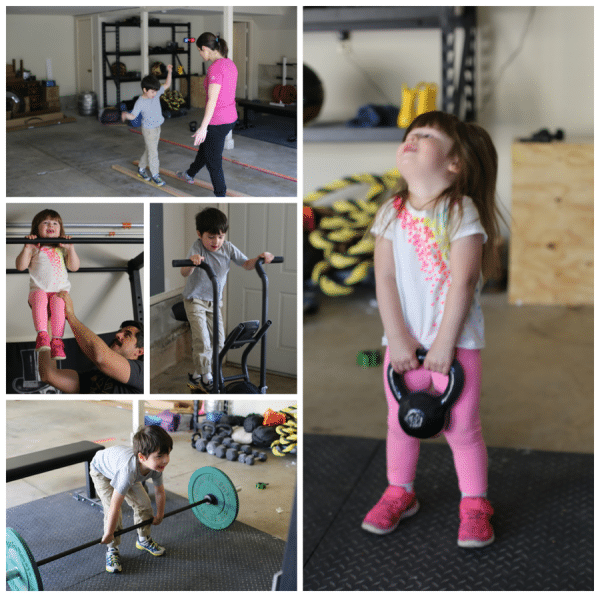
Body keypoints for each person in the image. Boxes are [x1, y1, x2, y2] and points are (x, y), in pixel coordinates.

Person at [362, 111, 503, 548]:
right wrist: (398, 338)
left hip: (455, 348)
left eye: (424, 135)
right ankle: (400, 491)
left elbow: (463, 280)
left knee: (462, 429)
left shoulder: (462, 211)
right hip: (401, 349)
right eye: (409, 134)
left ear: (454, 163)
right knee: (399, 424)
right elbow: (383, 278)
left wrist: (444, 344)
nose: (411, 139)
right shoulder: (391, 211)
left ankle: (476, 504)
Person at [180, 207, 273, 390]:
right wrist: (193, 262)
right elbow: (184, 272)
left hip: (214, 301)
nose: (216, 242)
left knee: (219, 342)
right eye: (211, 237)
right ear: (200, 234)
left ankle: (199, 371)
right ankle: (206, 376)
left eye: (220, 236)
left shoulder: (228, 248)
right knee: (202, 340)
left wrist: (261, 258)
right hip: (195, 300)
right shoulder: (197, 247)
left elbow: (246, 264)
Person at [90, 425, 173, 573]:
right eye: (159, 456)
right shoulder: (128, 472)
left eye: (167, 454)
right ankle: (112, 549)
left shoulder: (156, 467)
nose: (165, 460)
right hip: (101, 471)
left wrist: (160, 514)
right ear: (142, 457)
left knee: (144, 505)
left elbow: (159, 491)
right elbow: (115, 505)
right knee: (112, 510)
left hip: (123, 468)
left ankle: (143, 539)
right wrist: (109, 533)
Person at [37, 291, 144, 394]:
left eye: (127, 335)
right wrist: (51, 320)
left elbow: (101, 357)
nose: (118, 335)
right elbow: (49, 375)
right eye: (120, 332)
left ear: (140, 351)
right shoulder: (95, 376)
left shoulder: (141, 372)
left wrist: (70, 315)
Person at [176, 33, 238, 197]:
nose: (200, 54)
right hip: (230, 118)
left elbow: (212, 100)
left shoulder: (215, 68)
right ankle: (189, 174)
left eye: (199, 51)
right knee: (205, 149)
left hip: (217, 121)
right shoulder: (230, 64)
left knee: (213, 161)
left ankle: (221, 195)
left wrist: (203, 128)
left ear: (205, 49)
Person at [15, 209, 80, 361]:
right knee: (40, 297)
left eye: (55, 223)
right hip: (39, 292)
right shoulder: (35, 248)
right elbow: (20, 266)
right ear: (36, 229)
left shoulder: (62, 248)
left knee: (58, 304)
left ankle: (57, 341)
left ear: (60, 230)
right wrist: (27, 248)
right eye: (45, 222)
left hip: (58, 293)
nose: (50, 225)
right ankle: (42, 335)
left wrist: (70, 248)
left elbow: (74, 267)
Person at [121, 66, 173, 187]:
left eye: (156, 91)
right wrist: (125, 115)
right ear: (145, 90)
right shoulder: (140, 102)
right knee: (153, 153)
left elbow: (167, 84)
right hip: (148, 130)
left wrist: (169, 71)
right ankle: (155, 175)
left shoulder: (156, 92)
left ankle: (141, 169)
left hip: (157, 128)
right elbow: (133, 116)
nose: (155, 94)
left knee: (149, 150)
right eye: (152, 92)